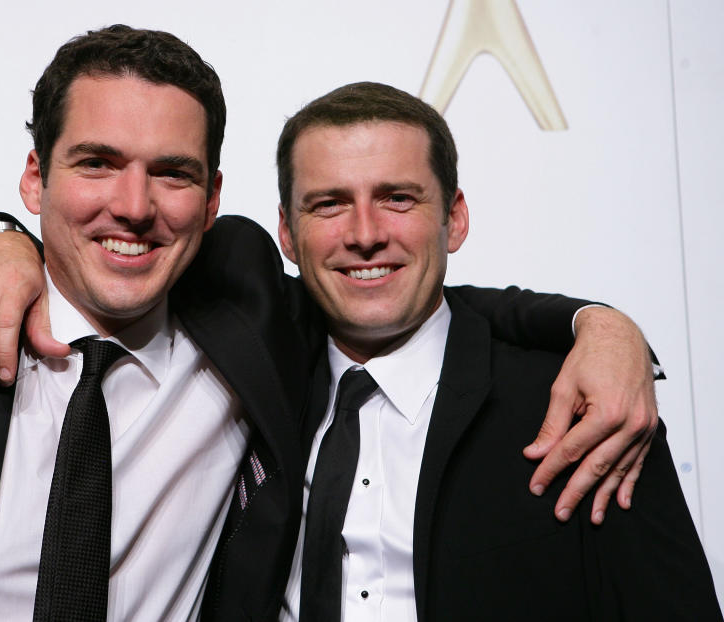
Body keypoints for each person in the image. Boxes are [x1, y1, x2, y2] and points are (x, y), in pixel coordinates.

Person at [0, 26, 657, 622]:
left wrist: (600, 322)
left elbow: (401, 286)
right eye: (96, 163)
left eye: (173, 173)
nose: (134, 205)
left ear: (216, 199)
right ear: (33, 179)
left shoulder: (248, 325)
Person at [268, 82, 719, 620]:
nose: (365, 234)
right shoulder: (252, 383)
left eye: (398, 199)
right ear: (288, 234)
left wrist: (608, 328)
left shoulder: (583, 406)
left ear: (454, 219)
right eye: (329, 204)